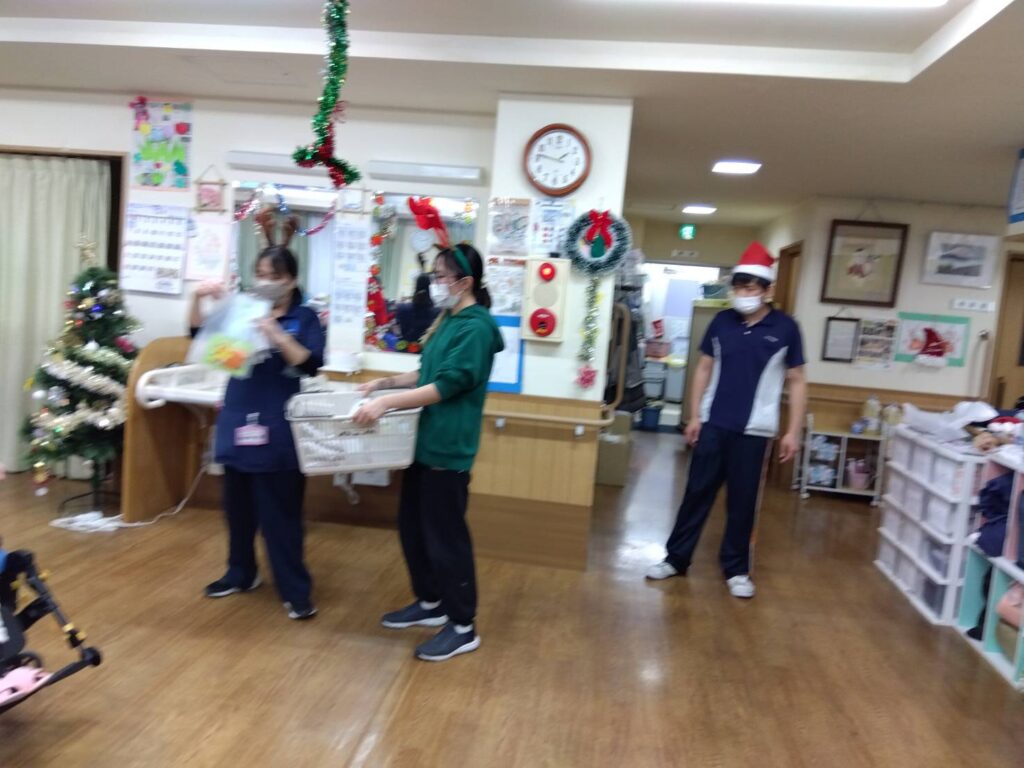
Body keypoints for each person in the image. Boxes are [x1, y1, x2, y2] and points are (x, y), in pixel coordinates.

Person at [353, 244, 504, 662]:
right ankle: (431, 602)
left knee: (446, 539)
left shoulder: (476, 328)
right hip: (422, 445)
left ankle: (463, 626)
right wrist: (383, 385)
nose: (435, 283)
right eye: (435, 275)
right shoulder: (449, 319)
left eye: (441, 277)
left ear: (465, 283)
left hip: (448, 449)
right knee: (413, 529)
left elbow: (446, 385)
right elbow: (425, 373)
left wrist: (385, 404)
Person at [645, 242, 807, 599]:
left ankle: (737, 570)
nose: (743, 295)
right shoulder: (722, 321)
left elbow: (796, 380)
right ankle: (676, 559)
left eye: (750, 288)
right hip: (713, 424)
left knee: (743, 502)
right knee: (696, 494)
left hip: (755, 430)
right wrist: (694, 415)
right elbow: (703, 368)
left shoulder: (786, 328)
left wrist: (792, 431)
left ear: (767, 291)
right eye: (739, 288)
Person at [189, 239, 325, 620]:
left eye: (273, 276)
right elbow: (202, 340)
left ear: (291, 280)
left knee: (281, 517)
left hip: (278, 427)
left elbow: (310, 364)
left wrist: (275, 334)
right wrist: (200, 300)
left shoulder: (305, 317)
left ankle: (295, 590)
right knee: (238, 511)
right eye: (260, 274)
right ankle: (240, 573)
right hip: (238, 417)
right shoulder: (243, 309)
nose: (265, 282)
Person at [395, 273, 439, 344]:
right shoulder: (438, 312)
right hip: (426, 348)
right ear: (431, 288)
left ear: (415, 287)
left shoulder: (402, 308)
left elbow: (397, 331)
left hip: (404, 348)